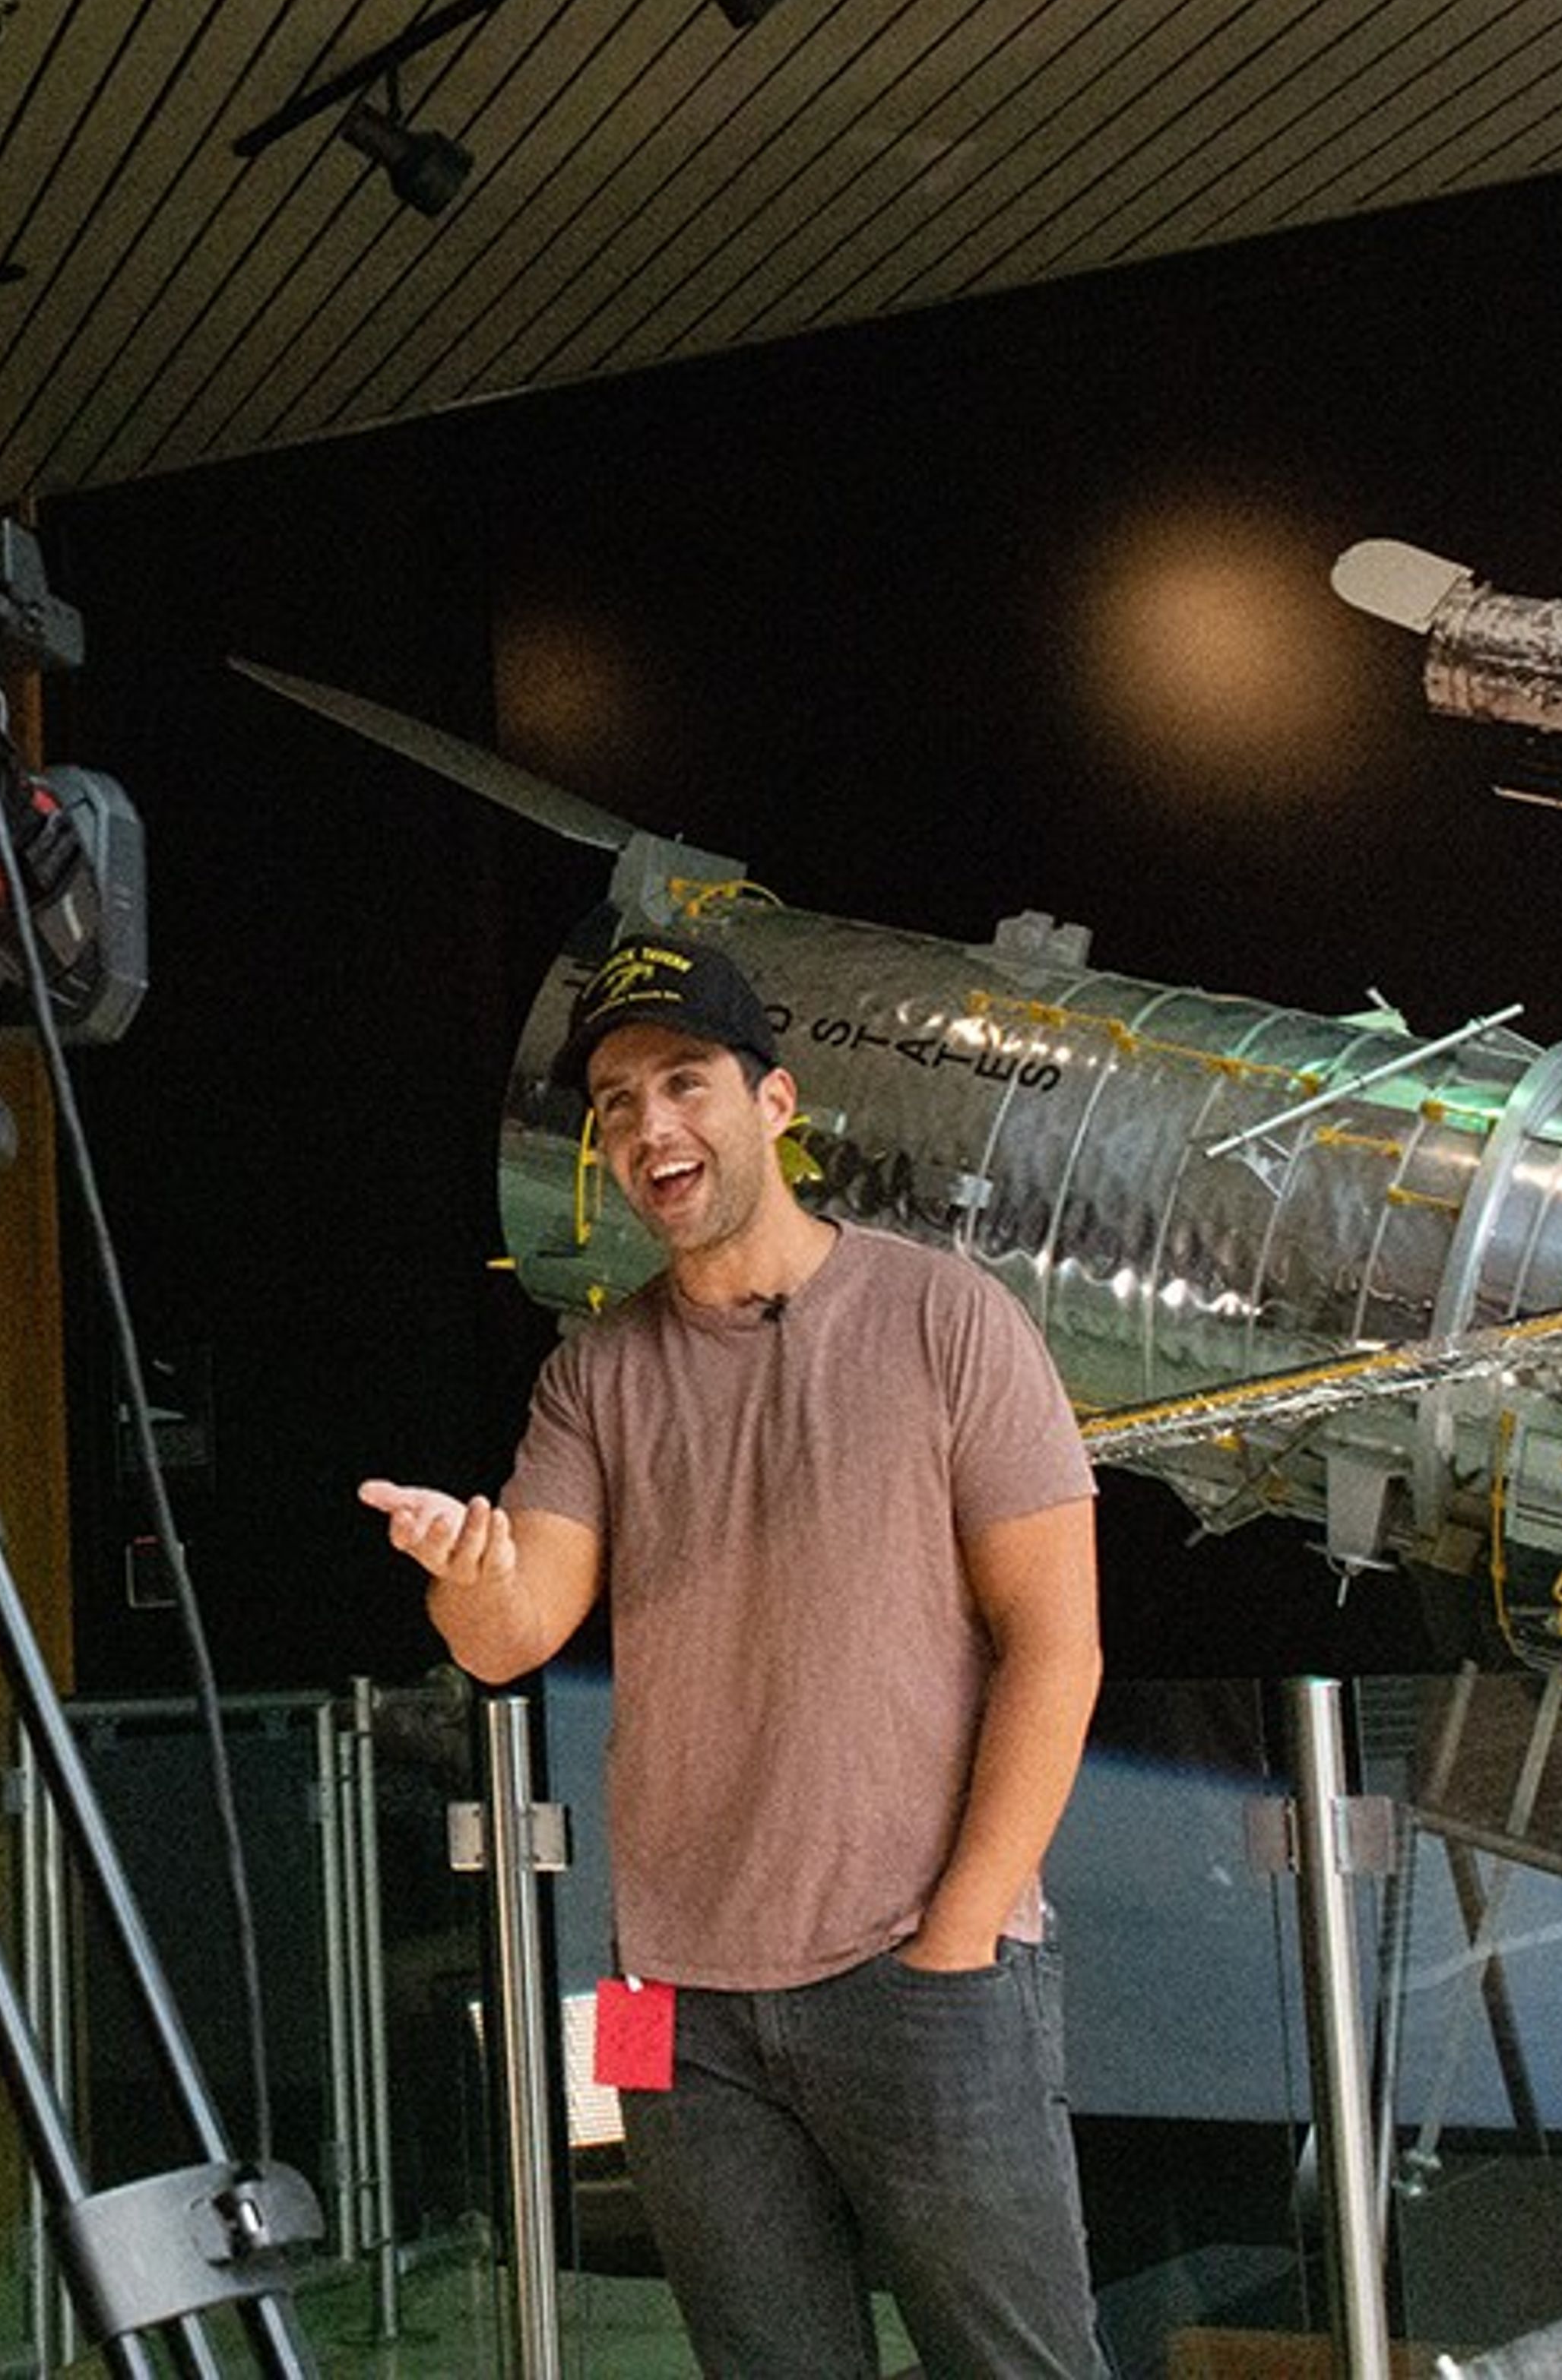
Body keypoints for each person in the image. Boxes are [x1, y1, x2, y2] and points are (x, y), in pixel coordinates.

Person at [362, 928, 1107, 2377]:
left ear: (772, 1104)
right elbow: (513, 1631)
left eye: (684, 1083)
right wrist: (461, 1573)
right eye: (618, 1104)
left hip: (923, 1974)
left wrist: (957, 1937)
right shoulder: (595, 1372)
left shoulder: (945, 1316)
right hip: (666, 2010)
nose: (651, 1127)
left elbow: (1055, 1649)